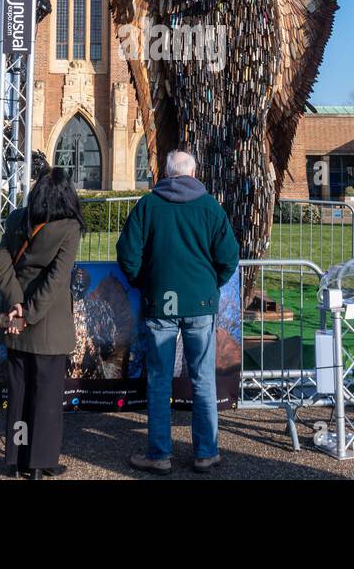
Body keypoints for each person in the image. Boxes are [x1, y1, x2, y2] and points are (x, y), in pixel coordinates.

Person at [117, 148, 239, 474]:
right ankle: (206, 452)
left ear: (167, 174)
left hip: (160, 302)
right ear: (193, 173)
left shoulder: (148, 206)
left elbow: (127, 253)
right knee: (202, 379)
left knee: (159, 380)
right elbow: (229, 257)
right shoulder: (210, 208)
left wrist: (144, 281)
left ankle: (159, 454)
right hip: (201, 303)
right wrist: (211, 284)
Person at [0, 167, 82, 480]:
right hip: (48, 323)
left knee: (18, 394)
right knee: (46, 397)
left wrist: (16, 304)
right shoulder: (69, 228)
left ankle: (15, 458)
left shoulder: (17, 218)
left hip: (15, 321)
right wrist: (29, 313)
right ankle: (40, 461)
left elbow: (1, 263)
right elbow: (57, 279)